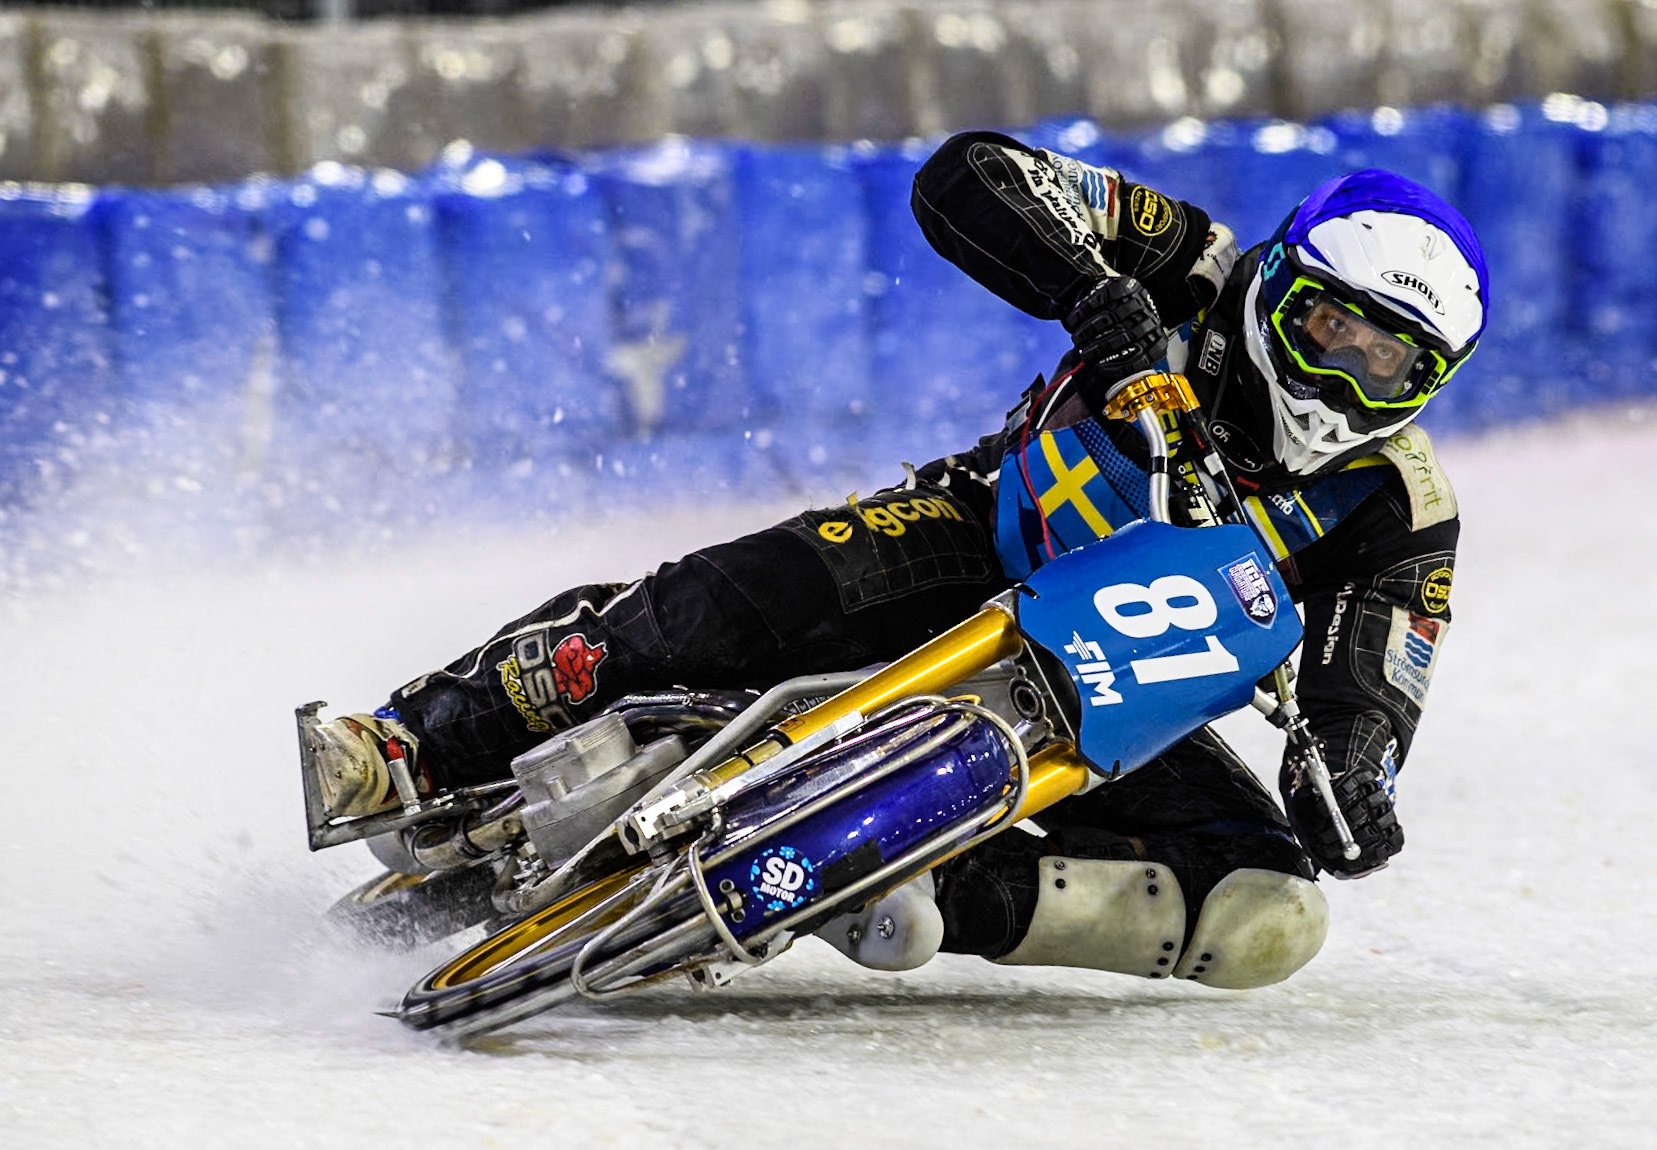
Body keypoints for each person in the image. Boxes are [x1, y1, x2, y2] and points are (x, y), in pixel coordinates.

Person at [309, 130, 1486, 989]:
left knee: (1270, 910)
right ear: (1279, 286)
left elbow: (1370, 692)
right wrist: (1098, 299)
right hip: (970, 539)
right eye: (1326, 329)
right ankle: (413, 742)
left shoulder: (1403, 506)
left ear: (1426, 388)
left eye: (1388, 366)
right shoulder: (1193, 263)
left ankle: (914, 885)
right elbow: (969, 172)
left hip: (1123, 700)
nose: (1341, 377)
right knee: (718, 602)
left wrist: (1353, 781)